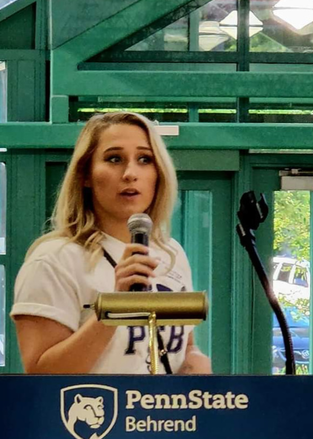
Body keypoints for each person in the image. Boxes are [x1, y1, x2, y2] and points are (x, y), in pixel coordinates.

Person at [11, 111, 212, 375]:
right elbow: (40, 375)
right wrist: (115, 307)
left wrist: (195, 360)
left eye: (144, 159)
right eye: (114, 159)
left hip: (164, 414)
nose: (130, 173)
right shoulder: (54, 259)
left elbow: (182, 345)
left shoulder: (170, 252)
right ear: (85, 175)